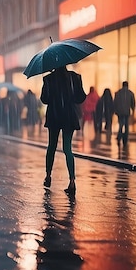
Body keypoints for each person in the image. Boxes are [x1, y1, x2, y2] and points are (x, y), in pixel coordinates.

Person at [40, 66, 86, 194]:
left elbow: (44, 99)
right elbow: (81, 97)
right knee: (67, 148)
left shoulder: (48, 79)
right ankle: (72, 181)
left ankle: (48, 176)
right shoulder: (74, 77)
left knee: (52, 146)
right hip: (68, 116)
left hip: (54, 116)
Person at [113, 81, 135, 146]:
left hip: (120, 112)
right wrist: (133, 110)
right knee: (126, 126)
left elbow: (115, 103)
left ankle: (119, 137)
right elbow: (133, 103)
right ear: (127, 85)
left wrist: (116, 111)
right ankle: (125, 139)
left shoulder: (118, 93)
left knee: (121, 125)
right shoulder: (130, 93)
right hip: (127, 112)